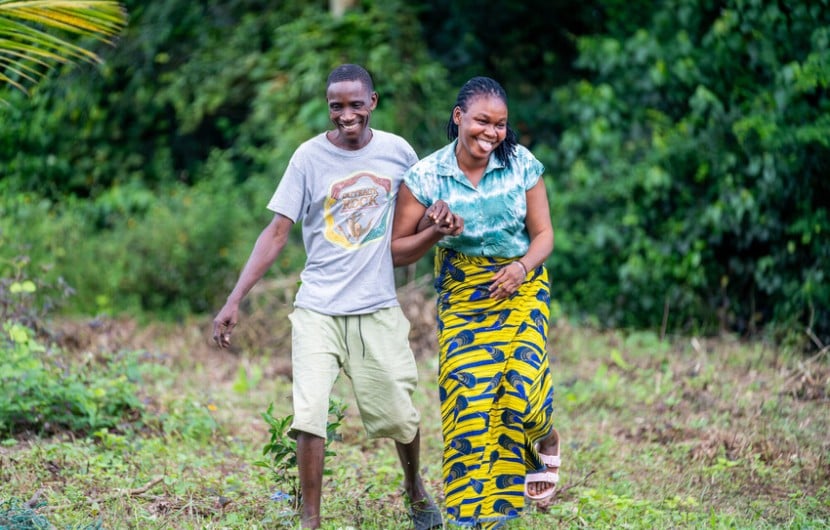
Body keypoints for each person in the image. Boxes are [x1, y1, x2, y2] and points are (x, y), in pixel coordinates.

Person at [212, 64, 442, 530]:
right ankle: (310, 520)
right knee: (310, 413)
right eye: (336, 105)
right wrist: (234, 299)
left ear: (372, 102)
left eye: (356, 104)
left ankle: (415, 489)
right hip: (318, 307)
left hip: (377, 306)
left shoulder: (399, 152)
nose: (346, 114)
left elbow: (416, 216)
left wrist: (437, 219)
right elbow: (277, 232)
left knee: (400, 413)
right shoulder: (308, 158)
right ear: (328, 106)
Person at [391, 76, 560, 529]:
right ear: (458, 117)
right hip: (466, 297)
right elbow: (397, 249)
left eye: (500, 124)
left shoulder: (522, 164)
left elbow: (544, 235)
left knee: (520, 397)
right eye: (482, 121)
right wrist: (435, 229)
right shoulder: (426, 177)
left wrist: (521, 268)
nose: (492, 132)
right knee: (471, 404)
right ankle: (477, 519)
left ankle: (545, 438)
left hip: (522, 288)